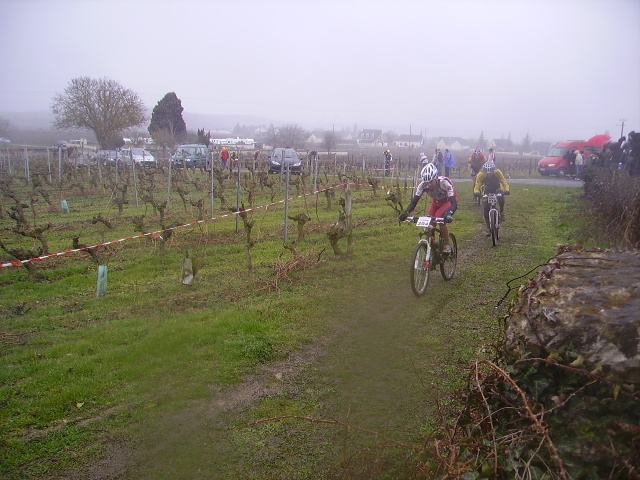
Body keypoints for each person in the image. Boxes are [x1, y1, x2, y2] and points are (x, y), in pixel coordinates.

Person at [398, 163, 457, 253]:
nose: (428, 184)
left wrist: (449, 214)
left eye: (430, 182)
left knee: (439, 217)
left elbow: (454, 203)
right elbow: (414, 201)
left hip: (448, 201)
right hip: (436, 202)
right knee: (429, 222)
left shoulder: (445, 182)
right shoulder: (422, 185)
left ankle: (447, 244)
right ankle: (433, 243)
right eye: (426, 182)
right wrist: (406, 212)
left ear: (435, 178)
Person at [474, 160, 510, 235]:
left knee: (501, 197)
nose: (489, 174)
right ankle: (488, 227)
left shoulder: (497, 172)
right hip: (487, 189)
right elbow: (477, 184)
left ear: (493, 170)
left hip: (497, 188)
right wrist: (476, 192)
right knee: (486, 208)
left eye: (491, 172)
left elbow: (503, 181)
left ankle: (502, 211)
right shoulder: (481, 174)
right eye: (487, 172)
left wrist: (506, 190)